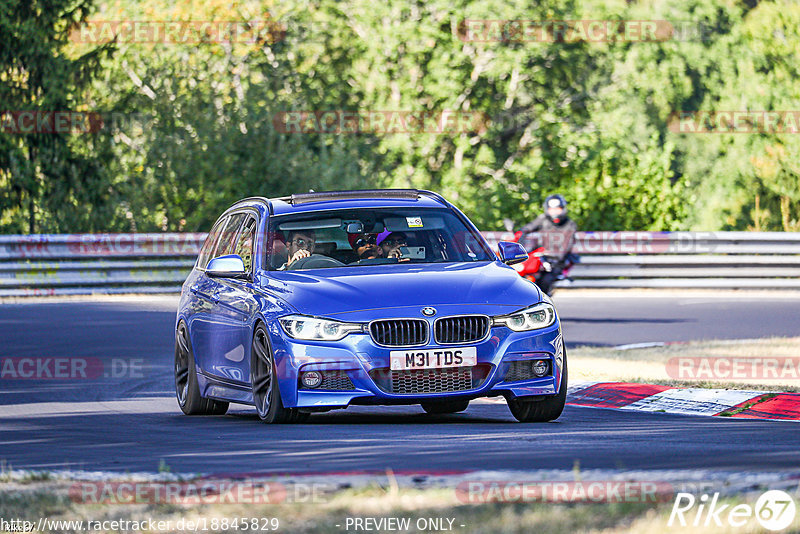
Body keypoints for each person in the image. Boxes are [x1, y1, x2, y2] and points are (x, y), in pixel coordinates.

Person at [519, 194, 577, 260]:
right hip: (543, 257)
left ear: (563, 209)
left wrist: (557, 257)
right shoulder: (543, 219)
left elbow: (567, 245)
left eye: (557, 209)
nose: (554, 212)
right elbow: (527, 228)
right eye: (552, 209)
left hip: (561, 259)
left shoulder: (570, 224)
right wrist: (521, 234)